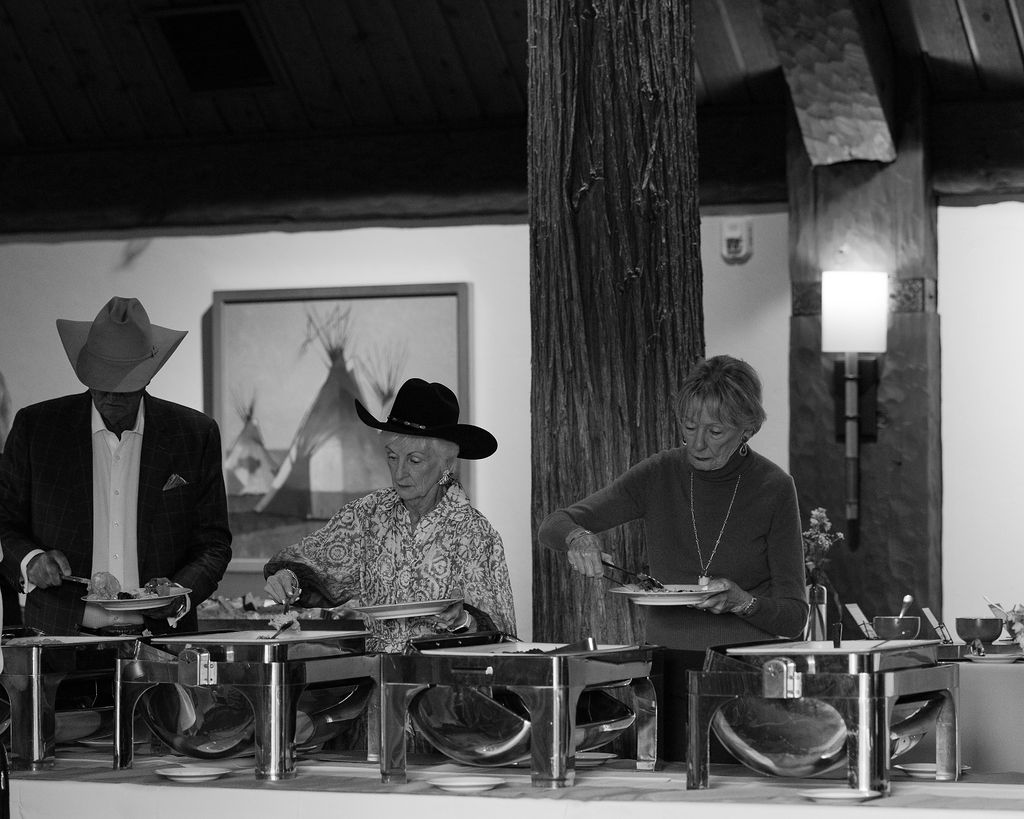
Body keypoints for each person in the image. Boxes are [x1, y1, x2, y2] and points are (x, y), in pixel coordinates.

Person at [538, 354, 807, 761]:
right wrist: (578, 538)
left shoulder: (774, 488)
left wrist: (743, 601)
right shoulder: (660, 474)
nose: (696, 443)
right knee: (664, 789)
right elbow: (555, 524)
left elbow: (794, 615)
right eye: (689, 426)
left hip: (746, 673)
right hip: (663, 668)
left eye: (715, 431)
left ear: (747, 429)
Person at [0, 297, 233, 636]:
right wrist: (30, 560)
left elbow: (214, 542)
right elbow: (4, 520)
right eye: (101, 385)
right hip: (59, 640)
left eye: (125, 389)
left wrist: (180, 594)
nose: (110, 397)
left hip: (161, 641)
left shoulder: (193, 434)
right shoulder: (38, 429)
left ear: (148, 378)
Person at [264, 377, 516, 653]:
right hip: (376, 675)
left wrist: (462, 619)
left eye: (414, 460)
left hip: (445, 684)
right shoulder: (366, 516)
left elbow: (500, 636)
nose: (399, 473)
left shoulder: (474, 533)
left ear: (446, 462)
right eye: (392, 457)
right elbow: (313, 566)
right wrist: (288, 579)